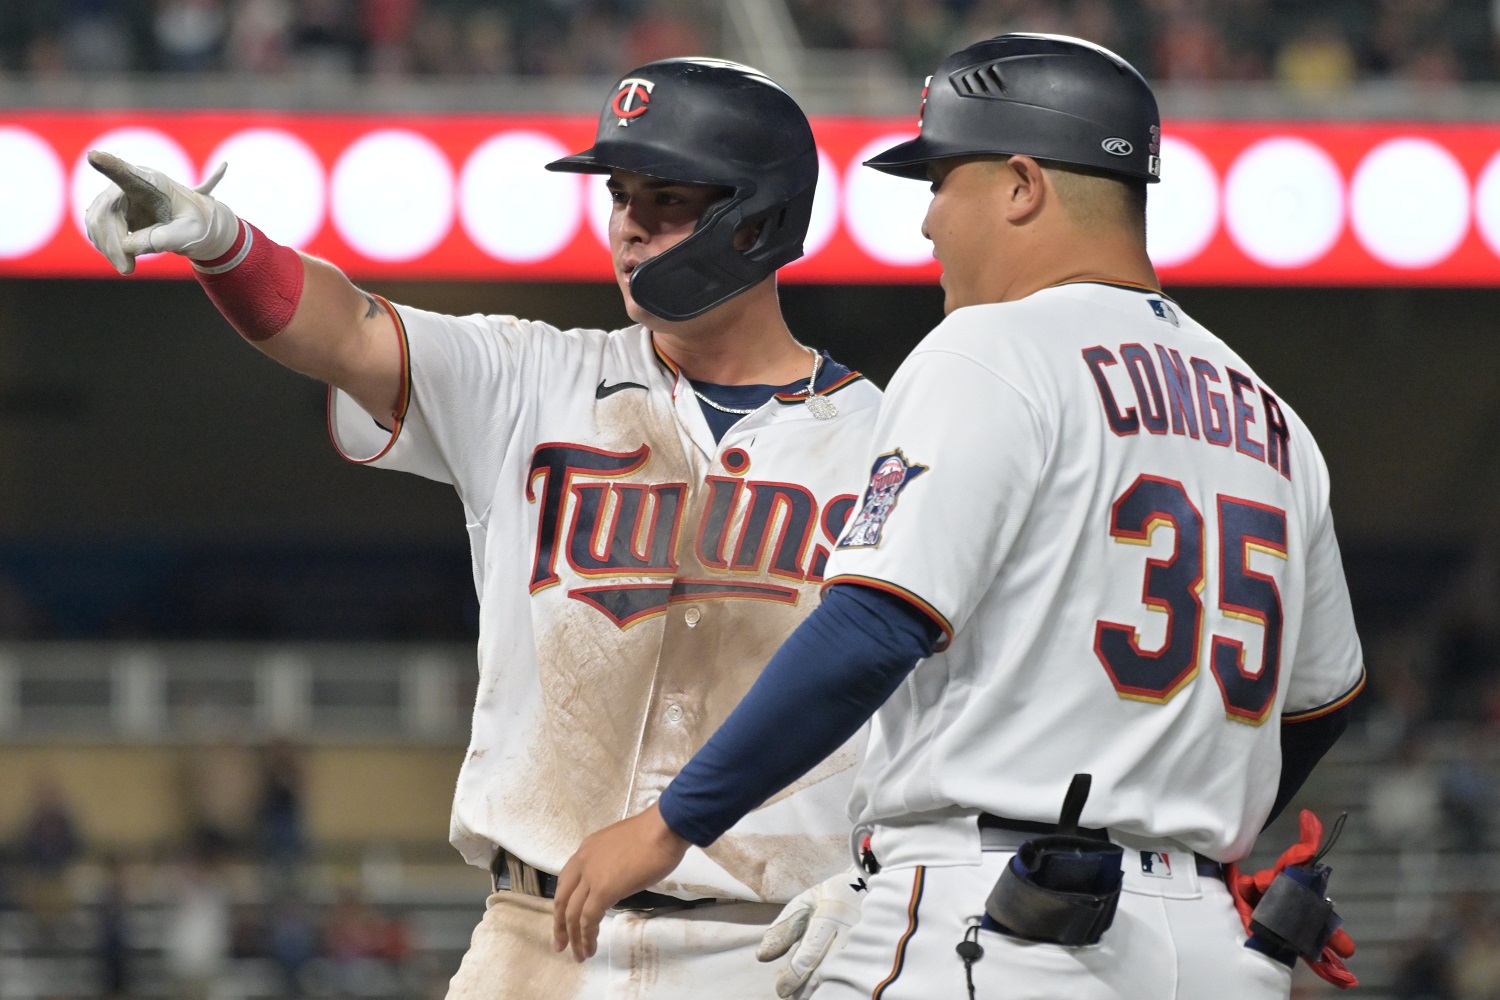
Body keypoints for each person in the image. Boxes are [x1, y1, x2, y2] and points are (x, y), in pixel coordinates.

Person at [552, 34, 1367, 1000]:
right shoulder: (1271, 417)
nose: (930, 223)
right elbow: (1322, 701)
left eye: (943, 181)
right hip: (1214, 950)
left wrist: (667, 825)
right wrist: (1182, 825)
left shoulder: (990, 347)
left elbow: (869, 629)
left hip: (1003, 920)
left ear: (1022, 185)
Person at [83, 57, 884, 998]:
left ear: (760, 214)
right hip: (538, 939)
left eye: (666, 199)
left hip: (776, 950)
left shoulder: (885, 437)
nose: (628, 225)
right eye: (621, 196)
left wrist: (893, 877)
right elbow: (346, 330)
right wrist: (224, 245)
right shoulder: (529, 378)